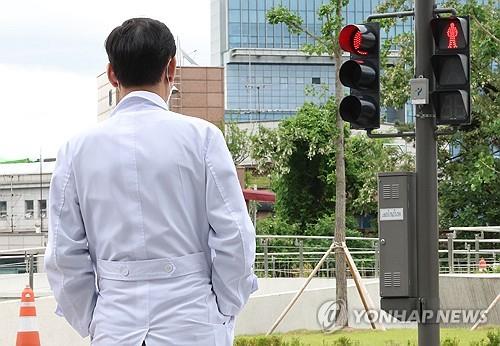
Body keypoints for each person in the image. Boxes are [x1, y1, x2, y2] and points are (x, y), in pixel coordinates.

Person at [44, 18, 257, 346]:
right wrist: (225, 307)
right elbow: (235, 235)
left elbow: (63, 254)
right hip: (194, 321)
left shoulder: (76, 150)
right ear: (171, 68)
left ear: (112, 74)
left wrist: (93, 319)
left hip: (115, 325)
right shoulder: (202, 138)